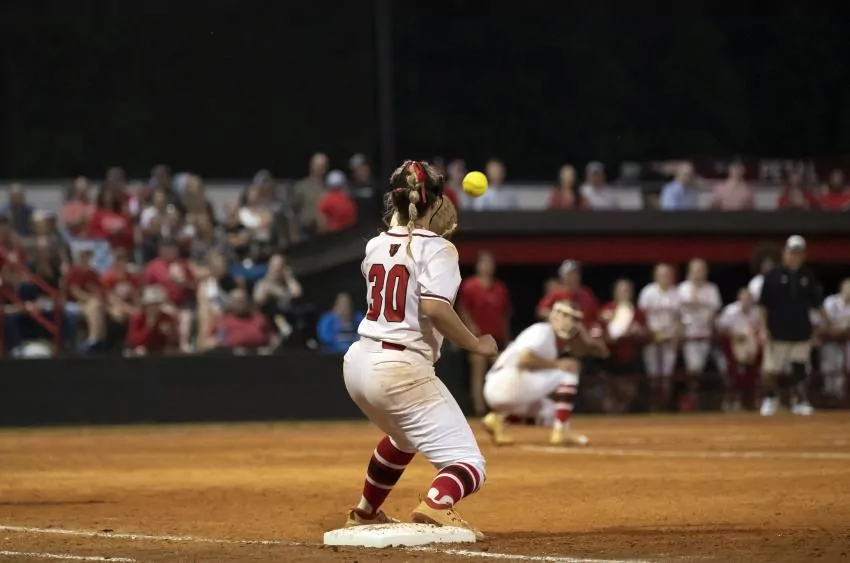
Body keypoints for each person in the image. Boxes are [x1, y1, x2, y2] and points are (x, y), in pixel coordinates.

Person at [341, 160, 497, 538]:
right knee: (469, 462)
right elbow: (435, 309)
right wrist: (476, 343)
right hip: (400, 367)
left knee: (404, 439)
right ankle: (436, 505)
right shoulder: (439, 249)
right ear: (435, 202)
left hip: (358, 362)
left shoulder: (375, 244)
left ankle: (366, 512)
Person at [482, 301, 609, 447]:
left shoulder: (550, 338)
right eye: (568, 317)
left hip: (504, 386)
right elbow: (524, 359)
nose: (572, 323)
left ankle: (498, 419)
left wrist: (588, 341)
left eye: (574, 319)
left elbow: (592, 351)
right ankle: (562, 431)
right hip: (506, 381)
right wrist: (558, 365)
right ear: (556, 316)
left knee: (552, 414)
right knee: (569, 370)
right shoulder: (543, 330)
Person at [758, 235, 823, 416]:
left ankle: (799, 400)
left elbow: (816, 304)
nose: (795, 256)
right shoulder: (773, 275)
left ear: (804, 255)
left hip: (801, 330)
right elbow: (763, 306)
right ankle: (770, 398)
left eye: (799, 253)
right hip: (777, 330)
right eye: (792, 252)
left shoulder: (808, 276)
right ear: (784, 253)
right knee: (770, 370)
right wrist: (763, 328)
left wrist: (822, 326)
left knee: (799, 368)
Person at [458, 251, 511, 415]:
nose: (488, 266)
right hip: (477, 340)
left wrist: (507, 339)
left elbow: (504, 315)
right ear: (478, 265)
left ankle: (499, 407)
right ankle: (479, 408)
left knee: (501, 370)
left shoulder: (500, 288)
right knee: (478, 368)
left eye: (490, 263)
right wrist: (471, 327)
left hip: (497, 340)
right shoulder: (470, 285)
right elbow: (462, 309)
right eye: (484, 262)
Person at [676, 258, 722, 411]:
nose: (698, 273)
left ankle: (701, 398)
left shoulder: (712, 289)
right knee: (693, 368)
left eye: (701, 270)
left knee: (710, 367)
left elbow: (714, 313)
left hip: (706, 334)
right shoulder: (682, 289)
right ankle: (691, 397)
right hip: (689, 334)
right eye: (695, 270)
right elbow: (677, 314)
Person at [638, 263, 681, 411]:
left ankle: (665, 404)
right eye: (662, 274)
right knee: (653, 373)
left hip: (670, 339)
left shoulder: (676, 294)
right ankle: (653, 404)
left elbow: (680, 318)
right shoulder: (648, 292)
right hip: (651, 339)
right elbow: (641, 316)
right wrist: (650, 333)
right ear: (655, 276)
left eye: (668, 274)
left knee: (667, 373)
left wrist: (677, 334)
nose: (665, 277)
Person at [716, 288, 762, 411]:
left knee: (754, 372)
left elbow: (760, 328)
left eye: (749, 300)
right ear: (739, 299)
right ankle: (733, 400)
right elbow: (720, 328)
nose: (746, 302)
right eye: (744, 299)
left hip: (752, 345)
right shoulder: (730, 311)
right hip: (733, 343)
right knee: (733, 372)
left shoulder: (757, 311)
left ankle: (751, 401)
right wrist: (734, 336)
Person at [818, 279, 850, 403]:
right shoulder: (830, 302)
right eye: (847, 288)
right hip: (830, 339)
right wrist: (833, 330)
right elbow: (823, 321)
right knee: (829, 366)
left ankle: (841, 395)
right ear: (842, 288)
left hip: (847, 339)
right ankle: (829, 393)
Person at [127, 285, 178, 355]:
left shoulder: (166, 318)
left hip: (160, 349)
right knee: (141, 351)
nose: (154, 307)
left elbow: (174, 340)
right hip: (142, 350)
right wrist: (149, 326)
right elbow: (134, 340)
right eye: (151, 304)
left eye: (157, 304)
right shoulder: (138, 317)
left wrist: (169, 333)